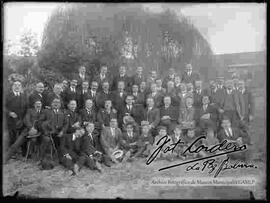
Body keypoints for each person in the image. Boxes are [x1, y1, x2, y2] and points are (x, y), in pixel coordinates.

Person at [5, 81, 28, 150]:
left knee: (23, 136)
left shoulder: (24, 95)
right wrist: (9, 112)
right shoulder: (7, 95)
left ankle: (24, 152)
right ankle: (12, 153)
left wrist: (25, 118)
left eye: (19, 85)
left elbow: (27, 107)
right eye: (15, 85)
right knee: (12, 136)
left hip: (22, 119)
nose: (17, 86)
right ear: (12, 86)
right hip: (11, 120)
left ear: (21, 87)